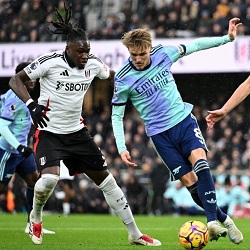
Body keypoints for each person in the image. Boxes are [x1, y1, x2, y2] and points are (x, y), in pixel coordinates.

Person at [8, 2, 161, 247]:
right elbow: (15, 80)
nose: (85, 56)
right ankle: (35, 218)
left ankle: (134, 233)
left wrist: (137, 82)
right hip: (49, 133)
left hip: (77, 133)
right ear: (68, 49)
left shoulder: (92, 64)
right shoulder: (50, 62)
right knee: (47, 180)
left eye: (87, 51)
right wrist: (31, 105)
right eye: (80, 51)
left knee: (108, 182)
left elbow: (113, 76)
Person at [111, 18, 244, 244]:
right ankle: (225, 220)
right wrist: (121, 147)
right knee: (192, 186)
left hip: (183, 122)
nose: (138, 59)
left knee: (201, 163)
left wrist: (227, 39)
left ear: (149, 49)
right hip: (160, 136)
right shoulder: (123, 78)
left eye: (142, 54)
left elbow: (195, 46)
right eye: (133, 55)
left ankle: (211, 221)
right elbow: (117, 115)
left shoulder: (164, 54)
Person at [0, 62, 55, 235]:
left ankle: (32, 224)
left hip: (22, 151)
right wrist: (18, 146)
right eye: (29, 77)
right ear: (20, 78)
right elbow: (2, 126)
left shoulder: (25, 98)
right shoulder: (13, 98)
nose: (33, 80)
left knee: (34, 182)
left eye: (33, 77)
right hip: (8, 152)